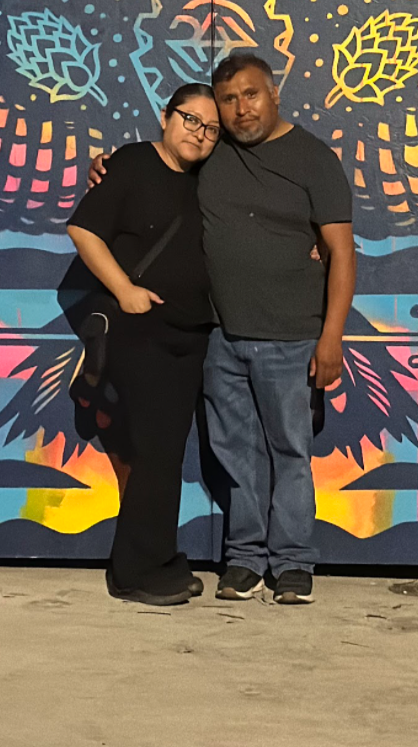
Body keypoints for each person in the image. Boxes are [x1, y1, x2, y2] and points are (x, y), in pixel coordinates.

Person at [91, 52, 356, 605]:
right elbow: (161, 163)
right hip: (222, 338)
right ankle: (244, 559)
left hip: (292, 338)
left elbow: (340, 251)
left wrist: (331, 337)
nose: (240, 109)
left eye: (250, 94)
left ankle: (292, 564)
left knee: (290, 453)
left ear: (275, 94)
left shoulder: (315, 159)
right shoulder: (213, 153)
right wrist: (108, 166)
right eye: (229, 100)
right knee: (235, 454)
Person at [66, 81, 221, 607]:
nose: (198, 133)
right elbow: (83, 229)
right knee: (152, 451)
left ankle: (160, 559)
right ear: (165, 116)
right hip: (141, 335)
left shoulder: (209, 179)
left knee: (165, 453)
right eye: (190, 119)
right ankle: (133, 572)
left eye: (210, 128)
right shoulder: (131, 163)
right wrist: (124, 290)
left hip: (191, 333)